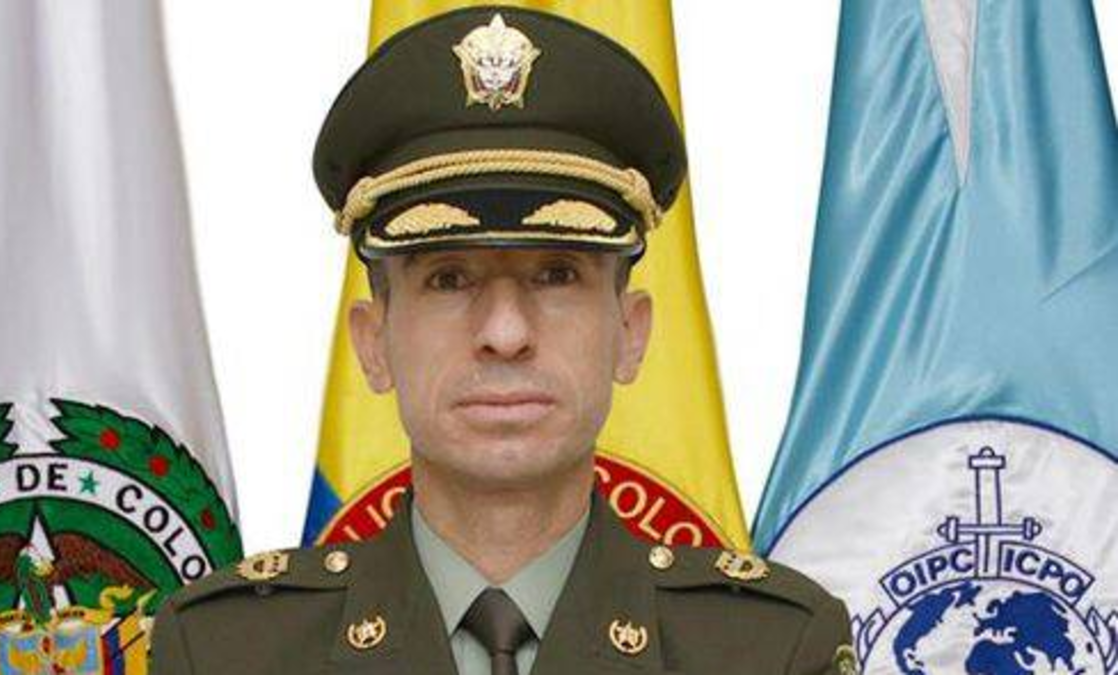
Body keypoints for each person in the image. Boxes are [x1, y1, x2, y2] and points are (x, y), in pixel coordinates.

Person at [149, 6, 857, 675]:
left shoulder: (769, 651)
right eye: (449, 278)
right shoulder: (226, 653)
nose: (505, 332)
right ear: (373, 342)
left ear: (631, 333)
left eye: (557, 274)